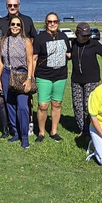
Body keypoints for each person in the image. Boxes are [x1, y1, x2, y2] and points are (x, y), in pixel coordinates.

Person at [69, 22, 102, 137]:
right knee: (77, 106)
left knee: (88, 105)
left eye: (88, 35)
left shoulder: (94, 44)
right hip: (76, 80)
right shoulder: (73, 43)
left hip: (92, 79)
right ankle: (83, 129)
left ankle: (90, 129)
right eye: (84, 35)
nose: (87, 37)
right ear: (77, 34)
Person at [0, 17, 35, 148]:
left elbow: (30, 62)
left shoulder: (26, 41)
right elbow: (1, 61)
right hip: (7, 73)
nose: (15, 27)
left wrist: (29, 79)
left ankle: (24, 137)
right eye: (13, 24)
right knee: (10, 104)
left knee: (23, 106)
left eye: (18, 25)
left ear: (21, 27)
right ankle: (16, 132)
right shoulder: (4, 40)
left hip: (22, 73)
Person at [32, 12, 71, 142]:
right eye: (50, 21)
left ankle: (54, 131)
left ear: (58, 22)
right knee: (43, 105)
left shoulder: (63, 36)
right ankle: (41, 132)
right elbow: (34, 58)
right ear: (46, 23)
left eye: (55, 21)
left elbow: (69, 53)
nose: (52, 24)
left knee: (57, 103)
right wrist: (31, 76)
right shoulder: (40, 38)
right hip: (44, 76)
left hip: (60, 76)